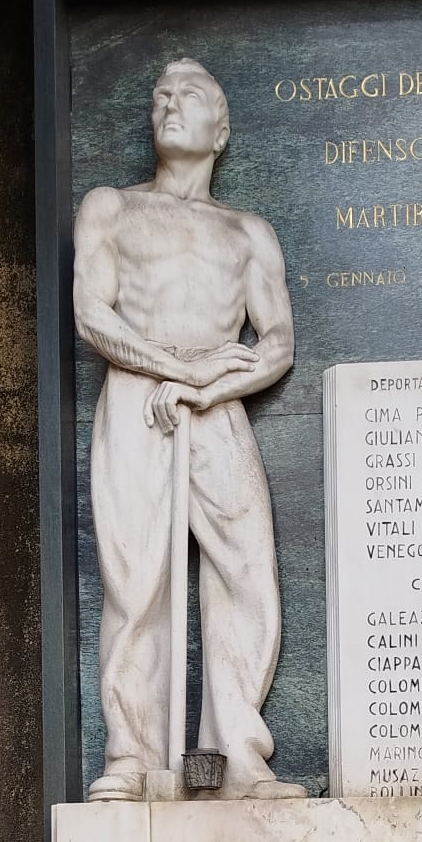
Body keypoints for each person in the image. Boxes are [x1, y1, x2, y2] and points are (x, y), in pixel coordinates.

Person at [74, 57, 303, 799]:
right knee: (136, 576)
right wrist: (169, 368)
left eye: (191, 95)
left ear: (221, 128)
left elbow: (276, 342)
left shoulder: (247, 232)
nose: (170, 104)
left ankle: (239, 751)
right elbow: (92, 314)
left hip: (214, 403)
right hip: (139, 394)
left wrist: (207, 385)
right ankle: (133, 756)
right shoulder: (112, 207)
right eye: (160, 95)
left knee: (247, 571)